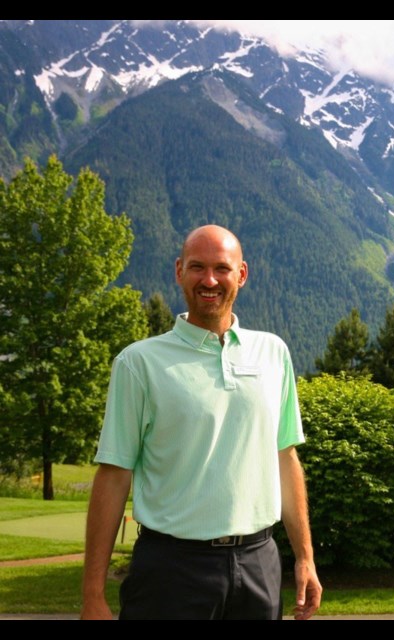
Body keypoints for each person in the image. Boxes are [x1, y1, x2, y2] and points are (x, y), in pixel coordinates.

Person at [81, 224, 322, 620]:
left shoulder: (273, 353)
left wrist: (305, 558)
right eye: (197, 267)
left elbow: (285, 458)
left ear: (241, 275)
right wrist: (92, 594)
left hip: (259, 563)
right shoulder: (138, 363)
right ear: (179, 271)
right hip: (170, 572)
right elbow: (113, 475)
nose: (209, 280)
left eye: (222, 268)